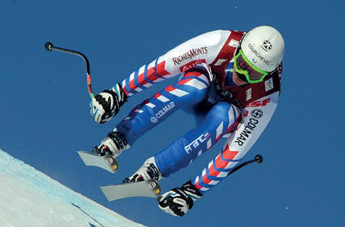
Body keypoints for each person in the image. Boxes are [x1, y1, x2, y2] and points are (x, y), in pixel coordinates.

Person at [89, 26, 284, 217]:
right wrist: (119, 92)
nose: (244, 75)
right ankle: (119, 138)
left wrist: (192, 191)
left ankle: (154, 169)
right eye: (242, 64)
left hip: (222, 110)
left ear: (267, 75)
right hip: (201, 81)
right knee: (194, 88)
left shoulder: (266, 96)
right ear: (238, 50)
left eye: (255, 74)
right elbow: (165, 65)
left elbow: (235, 150)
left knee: (227, 117)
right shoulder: (220, 42)